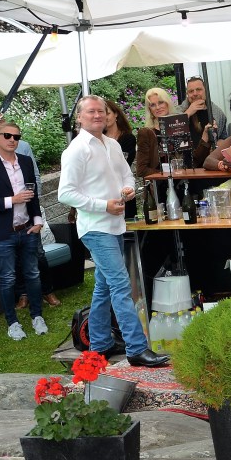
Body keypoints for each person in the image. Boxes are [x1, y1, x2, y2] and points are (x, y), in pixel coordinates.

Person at [58, 95, 169, 368]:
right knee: (120, 285)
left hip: (115, 224)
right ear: (79, 118)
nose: (98, 115)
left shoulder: (112, 144)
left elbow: (126, 175)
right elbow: (65, 193)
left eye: (101, 111)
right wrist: (103, 205)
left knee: (105, 286)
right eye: (91, 112)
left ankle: (99, 345)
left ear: (109, 115)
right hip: (95, 227)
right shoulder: (76, 150)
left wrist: (127, 189)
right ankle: (136, 348)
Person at [0, 121, 47, 342]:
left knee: (33, 274)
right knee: (7, 278)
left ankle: (37, 316)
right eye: (7, 135)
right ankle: (12, 323)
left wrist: (37, 220)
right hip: (2, 232)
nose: (12, 140)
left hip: (27, 228)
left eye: (16, 136)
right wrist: (11, 200)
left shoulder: (25, 161)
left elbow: (33, 194)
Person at [135, 86, 176, 188]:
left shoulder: (179, 127)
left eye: (161, 102)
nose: (157, 107)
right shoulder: (146, 133)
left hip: (184, 183)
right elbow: (141, 170)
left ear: (167, 103)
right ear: (149, 109)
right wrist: (166, 174)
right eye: (153, 105)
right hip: (161, 187)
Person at [182, 75, 223, 167]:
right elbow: (173, 129)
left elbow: (223, 137)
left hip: (211, 163)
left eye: (198, 89)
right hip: (188, 165)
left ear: (206, 91)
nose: (195, 93)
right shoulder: (180, 110)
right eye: (191, 91)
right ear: (187, 94)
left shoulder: (217, 113)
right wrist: (188, 112)